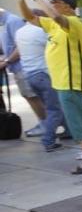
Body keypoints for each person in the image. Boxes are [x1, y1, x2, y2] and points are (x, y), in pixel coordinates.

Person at [17, 0, 82, 174]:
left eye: (54, 2)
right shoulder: (54, 25)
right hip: (65, 83)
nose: (51, 5)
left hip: (71, 83)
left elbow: (56, 17)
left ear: (66, 6)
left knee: (78, 124)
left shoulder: (74, 22)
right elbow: (30, 18)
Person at [15, 9, 66, 152]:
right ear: (38, 17)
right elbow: (56, 46)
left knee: (53, 106)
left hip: (29, 75)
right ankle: (48, 141)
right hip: (44, 74)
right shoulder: (40, 31)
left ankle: (69, 131)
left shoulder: (20, 32)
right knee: (54, 109)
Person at [0, 7, 47, 136]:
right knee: (29, 96)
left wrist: (7, 61)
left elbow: (20, 46)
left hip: (24, 67)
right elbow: (10, 47)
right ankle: (44, 123)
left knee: (32, 97)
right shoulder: (4, 23)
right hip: (17, 67)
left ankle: (45, 125)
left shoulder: (12, 21)